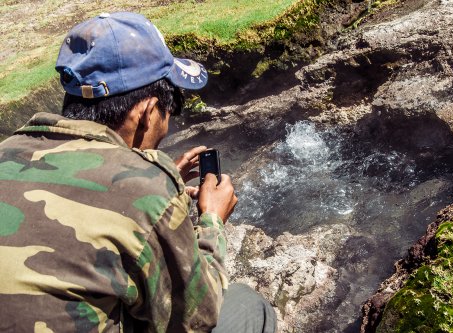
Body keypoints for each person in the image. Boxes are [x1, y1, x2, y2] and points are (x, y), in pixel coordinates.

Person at [0, 12, 276, 333]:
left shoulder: (8, 151)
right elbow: (197, 316)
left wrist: (154, 189)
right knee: (246, 306)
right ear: (146, 112)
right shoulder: (146, 188)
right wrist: (212, 219)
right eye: (171, 108)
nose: (169, 123)